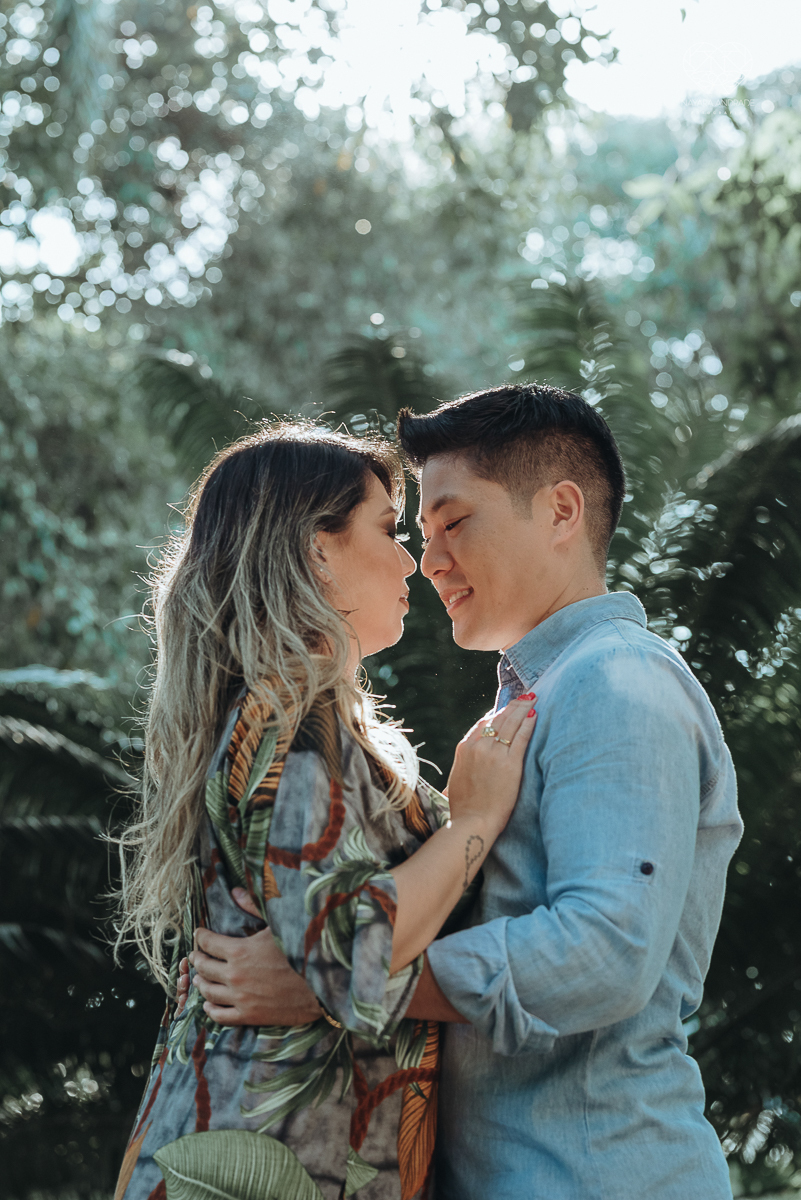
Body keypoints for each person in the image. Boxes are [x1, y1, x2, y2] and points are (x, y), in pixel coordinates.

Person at [185, 385, 744, 1200]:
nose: (429, 557)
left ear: (560, 512)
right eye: (417, 530)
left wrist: (338, 982)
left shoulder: (616, 682)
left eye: (454, 522)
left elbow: (604, 952)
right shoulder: (536, 698)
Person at [113, 420, 535, 1200]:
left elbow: (332, 954)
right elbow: (355, 959)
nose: (411, 559)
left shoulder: (292, 722)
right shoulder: (292, 728)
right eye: (387, 530)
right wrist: (473, 823)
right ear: (316, 549)